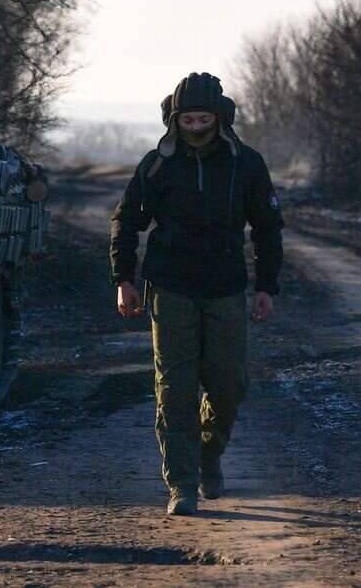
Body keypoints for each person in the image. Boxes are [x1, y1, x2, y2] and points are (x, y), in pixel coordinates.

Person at [110, 72, 284, 516]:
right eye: (187, 119)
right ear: (174, 118)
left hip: (226, 286)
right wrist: (123, 280)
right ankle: (182, 485)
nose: (195, 126)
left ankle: (209, 454)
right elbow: (126, 221)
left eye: (203, 118)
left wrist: (266, 287)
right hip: (170, 288)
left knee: (229, 384)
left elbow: (267, 229)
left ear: (219, 117)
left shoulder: (246, 163)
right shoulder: (158, 164)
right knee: (176, 389)